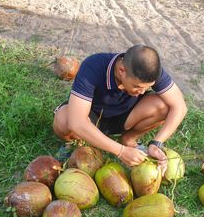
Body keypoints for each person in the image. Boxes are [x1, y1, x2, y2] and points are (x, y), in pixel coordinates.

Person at [53, 45, 187, 175]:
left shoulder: (148, 70)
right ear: (122, 70)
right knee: (64, 119)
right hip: (92, 117)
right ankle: (74, 144)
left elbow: (179, 106)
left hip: (127, 116)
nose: (141, 92)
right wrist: (120, 151)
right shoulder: (93, 66)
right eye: (137, 86)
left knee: (163, 105)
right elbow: (77, 122)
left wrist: (156, 143)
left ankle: (129, 139)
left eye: (147, 88)